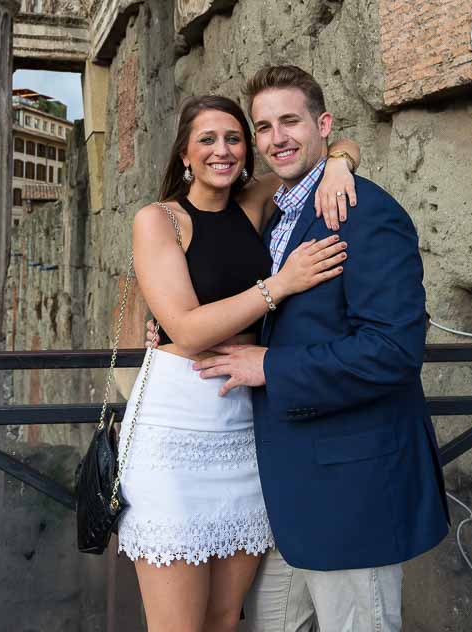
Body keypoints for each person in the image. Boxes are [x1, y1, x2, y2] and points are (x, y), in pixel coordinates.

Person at [189, 66, 450, 632]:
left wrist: (270, 366)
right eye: (263, 127)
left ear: (323, 124)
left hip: (352, 491)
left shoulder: (366, 213)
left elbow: (393, 350)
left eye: (290, 121)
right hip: (284, 494)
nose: (276, 137)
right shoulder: (268, 213)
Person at [118, 93, 360, 632]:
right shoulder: (159, 220)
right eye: (207, 139)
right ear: (184, 153)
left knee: (226, 617)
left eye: (233, 139)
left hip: (242, 423)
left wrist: (341, 163)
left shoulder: (252, 203)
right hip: (174, 427)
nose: (222, 151)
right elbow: (183, 326)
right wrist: (281, 284)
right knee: (179, 625)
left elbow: (329, 145)